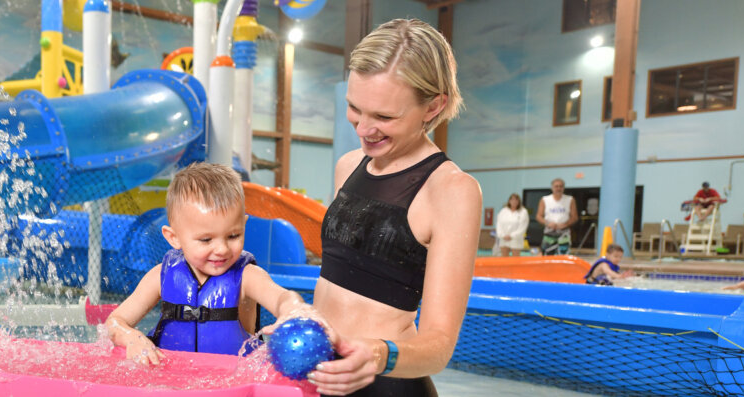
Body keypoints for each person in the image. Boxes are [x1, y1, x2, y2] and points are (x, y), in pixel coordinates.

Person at [305, 19, 480, 396]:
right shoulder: (348, 166)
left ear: (434, 106)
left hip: (387, 385)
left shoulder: (451, 190)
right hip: (320, 374)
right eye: (354, 108)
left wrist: (378, 354)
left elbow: (438, 347)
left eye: (384, 117)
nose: (364, 129)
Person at [104, 162, 319, 364]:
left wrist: (293, 307)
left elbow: (281, 296)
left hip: (232, 385)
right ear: (173, 238)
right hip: (171, 382)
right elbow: (114, 323)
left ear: (243, 224)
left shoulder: (247, 277)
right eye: (206, 240)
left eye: (233, 236)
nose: (222, 249)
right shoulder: (160, 277)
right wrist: (130, 337)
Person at [536, 178, 578, 255]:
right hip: (549, 233)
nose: (558, 188)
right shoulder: (545, 199)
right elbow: (539, 216)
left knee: (563, 256)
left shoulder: (570, 199)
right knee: (547, 255)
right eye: (556, 186)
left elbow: (574, 217)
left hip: (564, 233)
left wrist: (565, 224)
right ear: (552, 187)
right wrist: (548, 223)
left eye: (560, 186)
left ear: (563, 188)